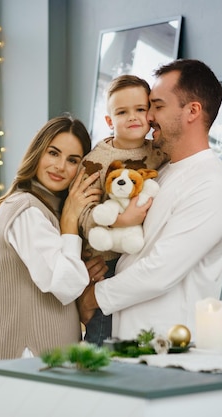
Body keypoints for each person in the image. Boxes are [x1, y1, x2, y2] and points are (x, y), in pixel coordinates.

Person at [77, 59, 222, 342]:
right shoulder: (158, 172)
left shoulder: (213, 184)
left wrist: (92, 298)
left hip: (166, 346)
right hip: (123, 339)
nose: (148, 116)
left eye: (158, 106)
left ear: (192, 111)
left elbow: (160, 271)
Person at [0, 115, 108, 361]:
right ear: (38, 153)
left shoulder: (49, 211)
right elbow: (65, 284)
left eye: (72, 160)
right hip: (28, 364)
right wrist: (71, 221)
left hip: (51, 363)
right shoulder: (26, 210)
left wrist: (84, 274)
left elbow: (66, 281)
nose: (60, 166)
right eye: (53, 153)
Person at [75, 74, 168, 345]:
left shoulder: (159, 154)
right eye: (122, 112)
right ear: (109, 121)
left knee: (135, 331)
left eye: (140, 109)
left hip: (140, 255)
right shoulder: (96, 161)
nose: (133, 117)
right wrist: (119, 220)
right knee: (103, 330)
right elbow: (81, 212)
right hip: (105, 261)